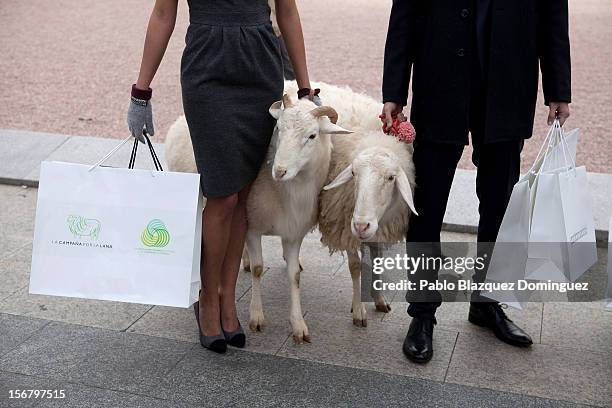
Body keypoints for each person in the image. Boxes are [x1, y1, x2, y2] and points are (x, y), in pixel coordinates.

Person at [382, 0, 571, 364]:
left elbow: (552, 13)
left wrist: (558, 88)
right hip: (440, 80)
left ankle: (486, 303)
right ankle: (422, 314)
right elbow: (405, 11)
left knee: (499, 204)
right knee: (427, 207)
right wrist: (394, 90)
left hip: (508, 81)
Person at [127, 0, 316, 353]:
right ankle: (207, 297)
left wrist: (305, 89)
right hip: (207, 67)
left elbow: (287, 12)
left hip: (260, 69)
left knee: (243, 194)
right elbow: (163, 14)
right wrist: (141, 92)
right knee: (222, 194)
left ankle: (228, 298)